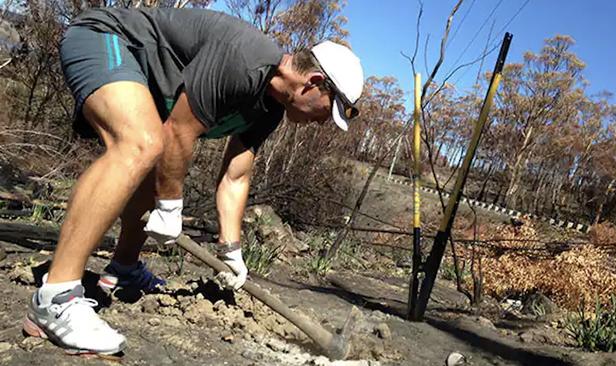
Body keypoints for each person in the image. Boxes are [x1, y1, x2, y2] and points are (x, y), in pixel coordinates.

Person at [22, 7, 363, 355]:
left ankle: (123, 267)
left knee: (152, 156)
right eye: (327, 111)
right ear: (314, 83)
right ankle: (56, 297)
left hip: (142, 78)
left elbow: (235, 175)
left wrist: (231, 250)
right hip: (106, 38)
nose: (323, 123)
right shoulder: (247, 60)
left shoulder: (269, 108)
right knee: (143, 142)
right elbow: (179, 132)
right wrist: (170, 206)